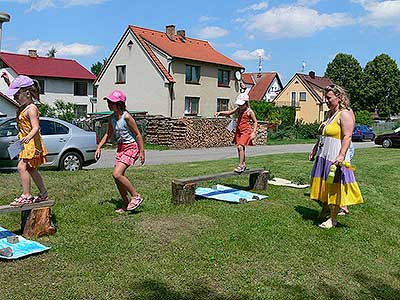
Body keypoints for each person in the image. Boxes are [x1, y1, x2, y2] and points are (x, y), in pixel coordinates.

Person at [309, 84, 363, 228]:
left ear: (338, 98)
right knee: (325, 185)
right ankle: (326, 209)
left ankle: (332, 219)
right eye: (325, 98)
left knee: (334, 187)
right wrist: (315, 149)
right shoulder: (329, 113)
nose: (326, 101)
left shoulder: (344, 113)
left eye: (329, 98)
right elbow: (323, 134)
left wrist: (341, 155)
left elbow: (347, 136)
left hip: (335, 156)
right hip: (324, 155)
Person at [95, 90, 145, 213]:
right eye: (109, 102)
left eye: (112, 102)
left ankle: (136, 196)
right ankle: (125, 202)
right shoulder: (111, 118)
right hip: (121, 148)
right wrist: (99, 147)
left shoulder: (126, 117)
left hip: (131, 147)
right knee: (117, 178)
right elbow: (108, 134)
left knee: (117, 174)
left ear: (120, 104)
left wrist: (142, 151)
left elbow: (138, 134)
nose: (109, 104)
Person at [3, 75, 49, 205]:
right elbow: (18, 91)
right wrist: (8, 82)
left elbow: (36, 127)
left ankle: (27, 195)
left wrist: (28, 137)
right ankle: (43, 193)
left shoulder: (31, 109)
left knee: (21, 167)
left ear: (27, 93)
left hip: (31, 143)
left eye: (16, 95)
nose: (14, 98)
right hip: (25, 143)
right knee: (31, 168)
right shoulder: (24, 106)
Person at [215, 93, 258, 173]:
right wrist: (220, 113)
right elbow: (229, 112)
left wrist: (253, 132)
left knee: (240, 147)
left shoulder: (249, 112)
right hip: (239, 131)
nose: (240, 106)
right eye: (239, 104)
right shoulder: (238, 109)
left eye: (241, 105)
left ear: (246, 103)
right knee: (240, 148)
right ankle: (243, 164)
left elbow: (255, 122)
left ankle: (241, 165)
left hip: (246, 131)